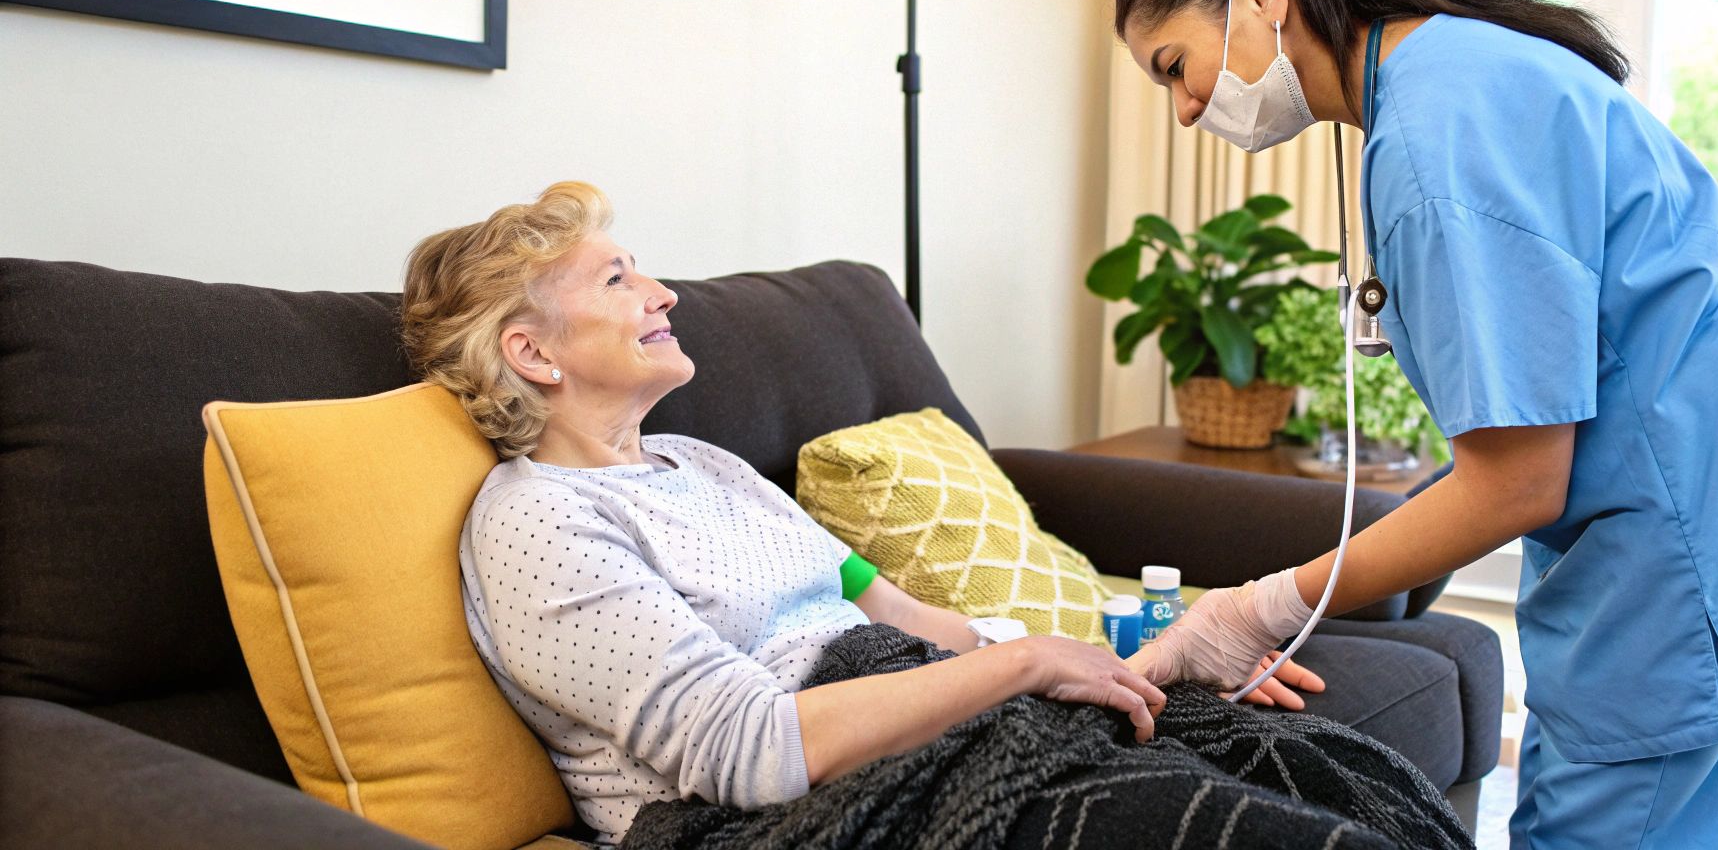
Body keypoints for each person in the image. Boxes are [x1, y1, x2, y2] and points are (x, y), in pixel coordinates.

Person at [1113, 0, 1718, 850]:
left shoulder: (1434, 139)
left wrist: (1257, 607)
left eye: (1173, 67)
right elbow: (1529, 406)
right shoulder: (1458, 67)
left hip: (1684, 557)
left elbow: (1515, 481)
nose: (1183, 111)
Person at [397, 181, 1326, 844]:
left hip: (903, 703)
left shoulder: (706, 465)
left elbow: (904, 617)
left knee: (1258, 742)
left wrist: (1123, 662)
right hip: (768, 813)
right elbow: (746, 750)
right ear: (532, 352)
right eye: (616, 281)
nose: (663, 293)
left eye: (643, 271)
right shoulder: (537, 524)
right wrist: (1027, 666)